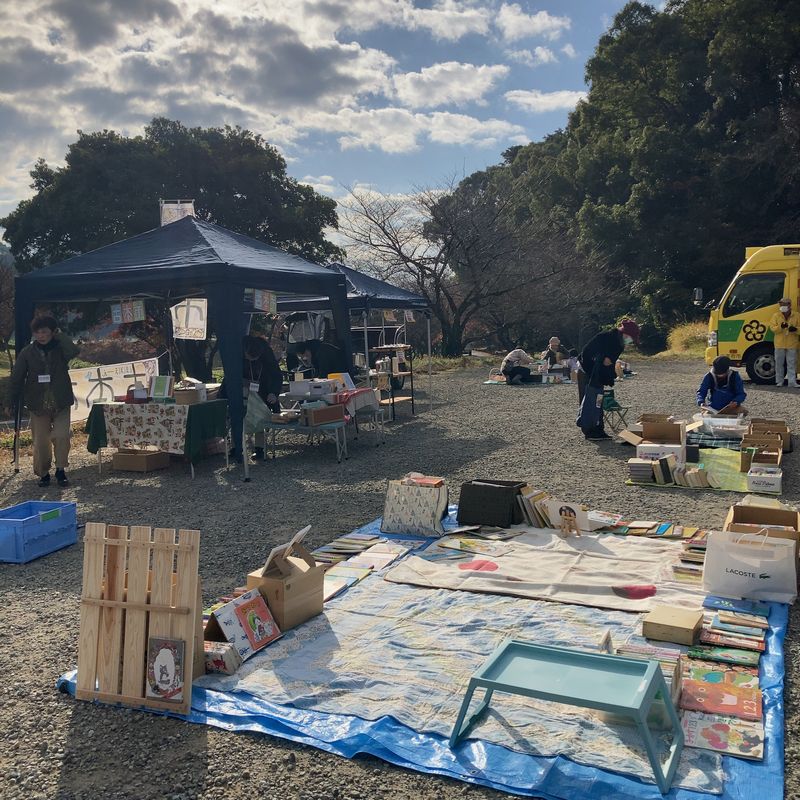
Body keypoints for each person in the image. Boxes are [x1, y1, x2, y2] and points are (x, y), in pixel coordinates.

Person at [10, 315, 80, 487]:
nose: (41, 335)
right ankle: (43, 472)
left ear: (52, 332)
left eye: (45, 332)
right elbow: (17, 377)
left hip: (61, 401)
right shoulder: (27, 352)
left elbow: (74, 352)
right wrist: (11, 401)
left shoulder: (61, 348)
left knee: (62, 435)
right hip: (37, 403)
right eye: (37, 332)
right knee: (41, 441)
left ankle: (61, 469)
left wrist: (60, 335)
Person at [220, 336, 284, 460]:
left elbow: (276, 374)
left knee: (260, 416)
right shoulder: (237, 351)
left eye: (255, 358)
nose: (252, 360)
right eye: (249, 357)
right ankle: (235, 448)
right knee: (237, 415)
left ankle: (259, 448)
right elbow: (230, 374)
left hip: (262, 388)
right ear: (245, 351)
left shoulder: (266, 353)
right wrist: (242, 382)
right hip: (240, 389)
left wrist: (273, 393)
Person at [575, 319, 640, 439]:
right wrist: (598, 363)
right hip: (586, 370)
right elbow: (586, 353)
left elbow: (610, 363)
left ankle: (599, 428)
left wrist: (608, 377)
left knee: (598, 402)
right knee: (588, 399)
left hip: (599, 374)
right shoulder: (604, 337)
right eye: (630, 337)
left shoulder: (620, 345)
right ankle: (588, 430)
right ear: (624, 333)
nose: (630, 341)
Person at [769, 297, 800, 388]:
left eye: (784, 304)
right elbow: (772, 328)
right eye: (781, 304)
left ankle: (792, 382)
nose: (782, 306)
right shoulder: (776, 315)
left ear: (789, 305)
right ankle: (779, 381)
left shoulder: (797, 315)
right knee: (779, 363)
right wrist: (780, 327)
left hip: (792, 343)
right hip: (779, 344)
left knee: (791, 363)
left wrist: (795, 329)